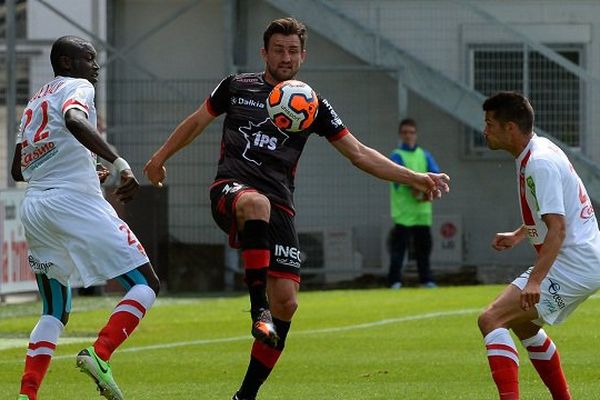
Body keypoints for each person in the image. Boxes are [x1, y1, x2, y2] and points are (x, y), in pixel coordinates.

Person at [144, 17, 449, 400]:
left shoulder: (312, 104)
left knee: (287, 303)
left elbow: (358, 154)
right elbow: (196, 122)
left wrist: (415, 177)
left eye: (292, 51)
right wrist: (159, 158)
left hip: (279, 207)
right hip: (231, 191)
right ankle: (258, 310)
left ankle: (245, 395)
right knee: (255, 205)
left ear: (303, 55)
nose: (285, 58)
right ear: (264, 53)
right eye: (278, 50)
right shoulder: (237, 88)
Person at [12, 35, 160, 400]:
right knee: (146, 283)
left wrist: (83, 167)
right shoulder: (77, 87)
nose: (95, 66)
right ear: (66, 63)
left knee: (55, 310)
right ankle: (100, 353)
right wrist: (119, 164)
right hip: (73, 203)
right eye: (88, 58)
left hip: (35, 207)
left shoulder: (34, 102)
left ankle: (26, 395)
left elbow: (18, 169)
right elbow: (75, 120)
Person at [478, 91, 600, 400]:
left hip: (573, 264)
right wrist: (520, 234)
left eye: (490, 123)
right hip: (581, 261)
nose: (485, 130)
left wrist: (535, 280)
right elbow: (554, 211)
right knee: (525, 326)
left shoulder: (539, 163)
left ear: (510, 128)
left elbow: (557, 229)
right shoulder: (538, 151)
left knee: (491, 319)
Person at [388, 118, 440, 289]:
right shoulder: (397, 155)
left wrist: (428, 190)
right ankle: (394, 281)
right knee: (399, 249)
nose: (408, 136)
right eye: (405, 132)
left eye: (411, 132)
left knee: (423, 249)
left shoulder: (424, 155)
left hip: (422, 212)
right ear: (400, 135)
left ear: (416, 134)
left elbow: (436, 173)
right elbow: (399, 179)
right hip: (403, 212)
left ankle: (426, 280)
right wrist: (419, 188)